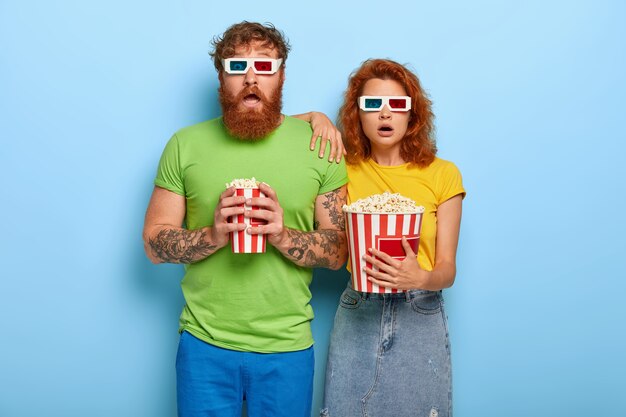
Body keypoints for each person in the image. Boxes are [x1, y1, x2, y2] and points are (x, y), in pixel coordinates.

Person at [142, 21, 348, 417]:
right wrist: (214, 233)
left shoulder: (319, 146)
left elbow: (338, 249)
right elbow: (153, 243)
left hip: (286, 347)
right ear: (221, 76)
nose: (251, 77)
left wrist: (282, 233)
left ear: (282, 74)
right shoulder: (185, 144)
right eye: (237, 66)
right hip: (204, 345)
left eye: (265, 66)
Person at [312, 59, 465, 417]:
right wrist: (315, 118)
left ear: (413, 115)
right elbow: (276, 123)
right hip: (358, 307)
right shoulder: (340, 169)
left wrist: (422, 277)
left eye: (397, 105)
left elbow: (447, 269)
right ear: (356, 114)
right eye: (372, 105)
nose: (385, 114)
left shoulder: (442, 174)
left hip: (420, 309)